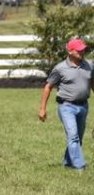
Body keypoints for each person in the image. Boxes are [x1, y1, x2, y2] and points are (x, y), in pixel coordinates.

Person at [38, 38, 94, 171]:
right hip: (66, 106)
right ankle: (80, 166)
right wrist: (42, 109)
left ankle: (68, 162)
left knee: (78, 138)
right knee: (73, 136)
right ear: (70, 51)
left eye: (83, 49)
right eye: (78, 50)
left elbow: (92, 83)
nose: (82, 52)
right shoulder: (60, 68)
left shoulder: (90, 66)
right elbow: (48, 87)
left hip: (84, 106)